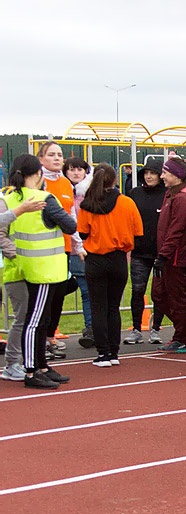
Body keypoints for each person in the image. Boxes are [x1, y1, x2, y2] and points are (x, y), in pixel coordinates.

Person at [0, 154, 77, 389]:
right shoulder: (44, 197)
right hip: (45, 267)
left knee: (36, 319)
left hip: (24, 265)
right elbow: (70, 225)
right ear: (38, 174)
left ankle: (41, 365)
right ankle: (32, 369)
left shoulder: (9, 198)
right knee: (34, 321)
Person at [75, 163, 143, 366]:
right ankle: (114, 352)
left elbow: (82, 232)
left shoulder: (89, 203)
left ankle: (103, 352)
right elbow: (138, 232)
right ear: (115, 180)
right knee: (113, 307)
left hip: (96, 258)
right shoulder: (127, 203)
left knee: (98, 306)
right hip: (118, 259)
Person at [0, 192, 48, 382]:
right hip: (15, 269)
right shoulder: (7, 201)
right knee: (22, 318)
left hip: (33, 269)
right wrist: (17, 255)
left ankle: (24, 360)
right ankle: (12, 363)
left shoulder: (39, 199)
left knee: (30, 317)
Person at [36, 142, 77, 360]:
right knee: (45, 295)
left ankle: (51, 336)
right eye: (51, 154)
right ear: (41, 159)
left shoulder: (65, 183)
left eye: (59, 155)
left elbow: (72, 216)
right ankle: (40, 339)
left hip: (64, 247)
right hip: (43, 249)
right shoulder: (38, 184)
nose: (57, 158)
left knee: (60, 293)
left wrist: (78, 244)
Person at [154, 156, 186, 353]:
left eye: (165, 172)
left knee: (176, 297)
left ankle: (182, 336)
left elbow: (175, 230)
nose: (161, 176)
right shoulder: (171, 195)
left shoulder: (182, 199)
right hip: (167, 255)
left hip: (174, 257)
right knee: (159, 295)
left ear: (177, 175)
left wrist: (164, 255)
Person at [126, 158, 167, 344]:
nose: (149, 176)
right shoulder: (135, 193)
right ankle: (136, 329)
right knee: (137, 289)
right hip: (139, 252)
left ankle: (156, 328)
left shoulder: (167, 195)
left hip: (160, 253)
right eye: (146, 173)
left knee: (159, 292)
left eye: (152, 173)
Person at [64, 157, 94, 348]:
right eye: (72, 169)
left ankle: (90, 328)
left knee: (86, 289)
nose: (76, 173)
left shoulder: (89, 193)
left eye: (80, 169)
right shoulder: (60, 190)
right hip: (61, 247)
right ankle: (47, 333)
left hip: (81, 248)